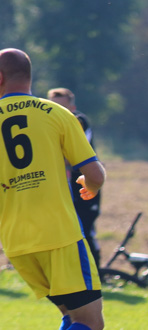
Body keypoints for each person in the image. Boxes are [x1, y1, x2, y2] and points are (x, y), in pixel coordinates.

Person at [1, 49, 109, 330]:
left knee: (73, 315)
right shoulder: (57, 113)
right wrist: (89, 188)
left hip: (16, 240)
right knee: (92, 322)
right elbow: (93, 174)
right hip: (59, 233)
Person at [47, 87, 101, 267]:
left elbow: (72, 156)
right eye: (54, 106)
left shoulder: (78, 121)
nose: (58, 111)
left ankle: (96, 272)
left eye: (62, 107)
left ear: (72, 107)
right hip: (60, 184)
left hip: (83, 182)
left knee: (85, 228)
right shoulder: (48, 123)